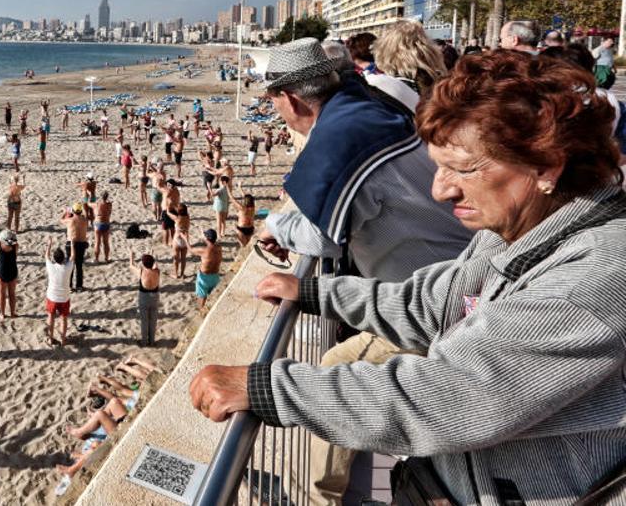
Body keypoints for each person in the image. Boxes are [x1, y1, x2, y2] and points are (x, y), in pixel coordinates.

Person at [191, 51, 626, 506]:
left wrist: (267, 388)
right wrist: (317, 292)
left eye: (462, 168)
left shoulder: (593, 280)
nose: (441, 189)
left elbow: (447, 398)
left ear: (547, 165)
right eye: (438, 166)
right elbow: (430, 305)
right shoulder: (521, 229)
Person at [259, 38, 472, 283]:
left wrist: (275, 226)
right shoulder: (366, 110)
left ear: (290, 100)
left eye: (274, 104)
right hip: (461, 259)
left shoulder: (337, 141)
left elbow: (322, 238)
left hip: (445, 288)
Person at [43, 237, 74, 346]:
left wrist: (49, 244)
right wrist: (72, 243)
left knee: (50, 317)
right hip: (64, 297)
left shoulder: (51, 267)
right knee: (64, 318)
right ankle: (63, 339)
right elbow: (72, 256)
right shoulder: (68, 267)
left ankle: (50, 339)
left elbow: (46, 256)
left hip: (52, 297)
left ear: (55, 259)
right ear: (63, 258)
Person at [128, 249, 161, 346]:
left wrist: (131, 256)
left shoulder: (141, 272)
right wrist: (152, 255)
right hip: (154, 297)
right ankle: (152, 341)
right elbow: (155, 265)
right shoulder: (157, 271)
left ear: (143, 264)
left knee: (144, 321)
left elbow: (131, 266)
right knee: (153, 320)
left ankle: (144, 342)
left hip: (144, 297)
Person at [0, 230, 21, 321]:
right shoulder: (15, 247)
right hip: (12, 271)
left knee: (2, 295)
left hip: (2, 272)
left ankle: (2, 314)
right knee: (12, 294)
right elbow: (14, 243)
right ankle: (13, 313)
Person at [193, 229, 221, 310]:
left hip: (204, 278)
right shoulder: (219, 247)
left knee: (202, 298)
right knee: (213, 297)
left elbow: (190, 249)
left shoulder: (204, 250)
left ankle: (201, 312)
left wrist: (185, 239)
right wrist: (204, 236)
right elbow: (212, 243)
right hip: (215, 277)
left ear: (207, 238)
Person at [91, 191, 113, 263]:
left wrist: (89, 194)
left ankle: (96, 259)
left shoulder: (96, 204)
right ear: (107, 197)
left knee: (97, 242)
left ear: (100, 197)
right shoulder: (109, 204)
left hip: (98, 224)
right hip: (106, 224)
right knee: (106, 243)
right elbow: (109, 212)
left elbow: (87, 203)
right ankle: (106, 259)